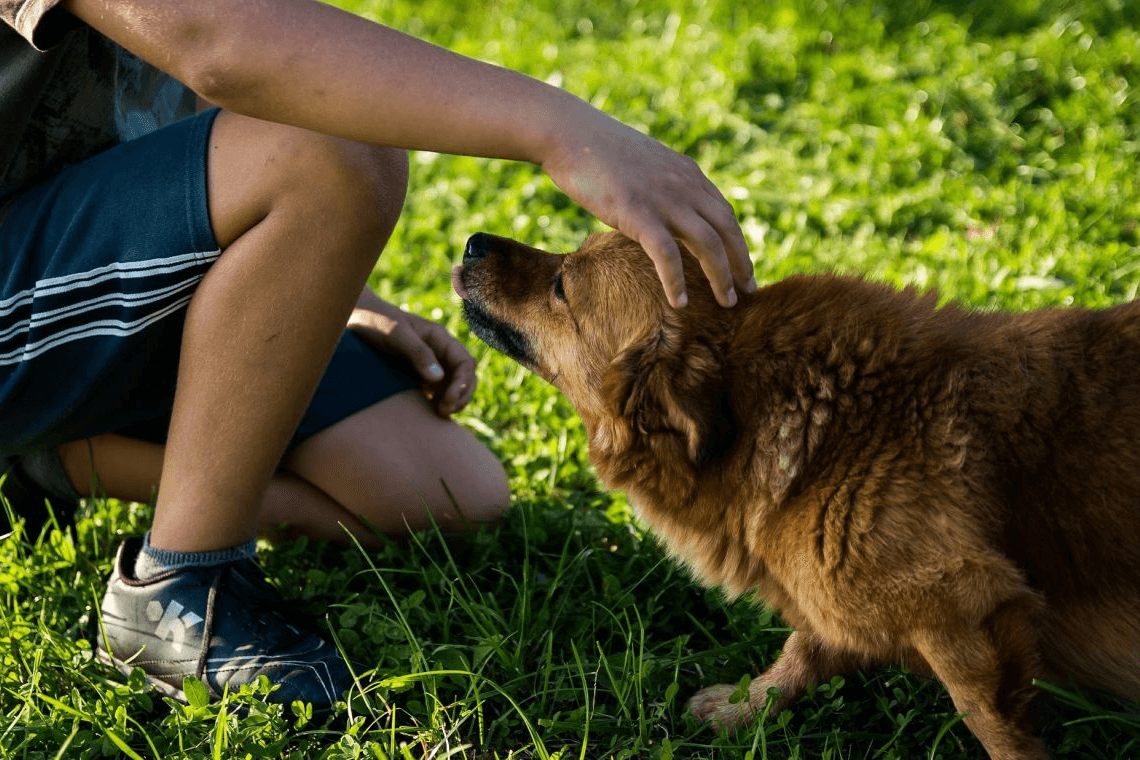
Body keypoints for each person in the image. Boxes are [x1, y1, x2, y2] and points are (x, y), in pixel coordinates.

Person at [0, 0, 755, 709]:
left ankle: (50, 458)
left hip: (87, 250)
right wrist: (561, 129)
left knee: (442, 494)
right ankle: (178, 592)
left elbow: (206, 81)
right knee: (337, 150)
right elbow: (219, 44)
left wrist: (319, 278)